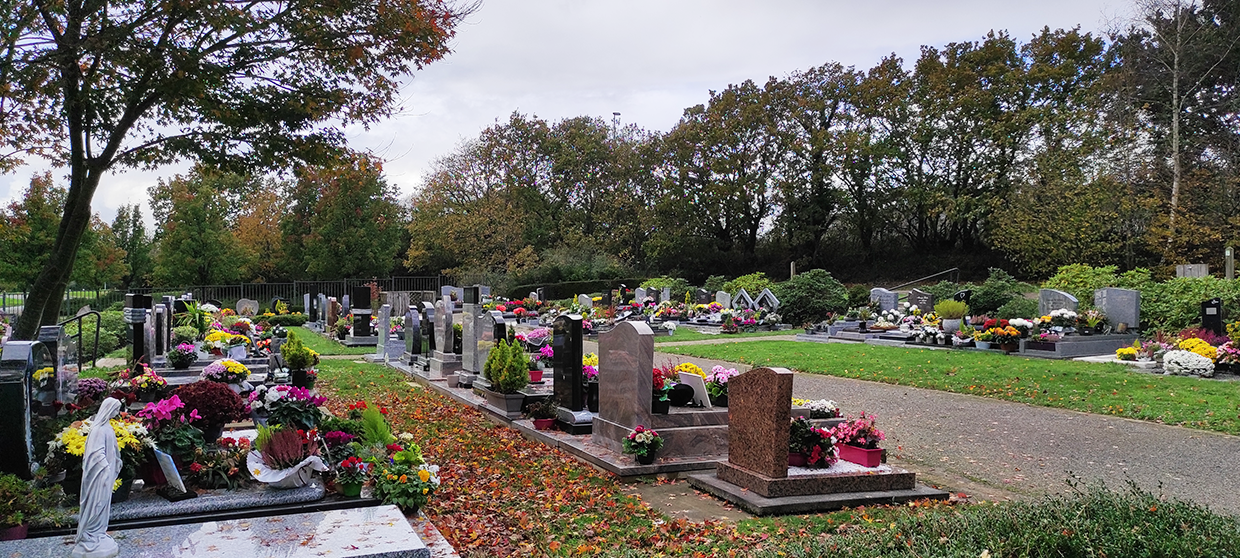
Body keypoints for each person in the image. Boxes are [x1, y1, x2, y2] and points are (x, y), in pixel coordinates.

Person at [72, 397, 123, 558]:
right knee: (96, 503)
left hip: (106, 474)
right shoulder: (98, 430)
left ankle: (98, 531)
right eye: (115, 409)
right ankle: (90, 533)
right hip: (98, 476)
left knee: (104, 504)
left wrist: (116, 462)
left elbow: (112, 450)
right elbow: (95, 453)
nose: (117, 412)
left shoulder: (107, 427)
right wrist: (105, 468)